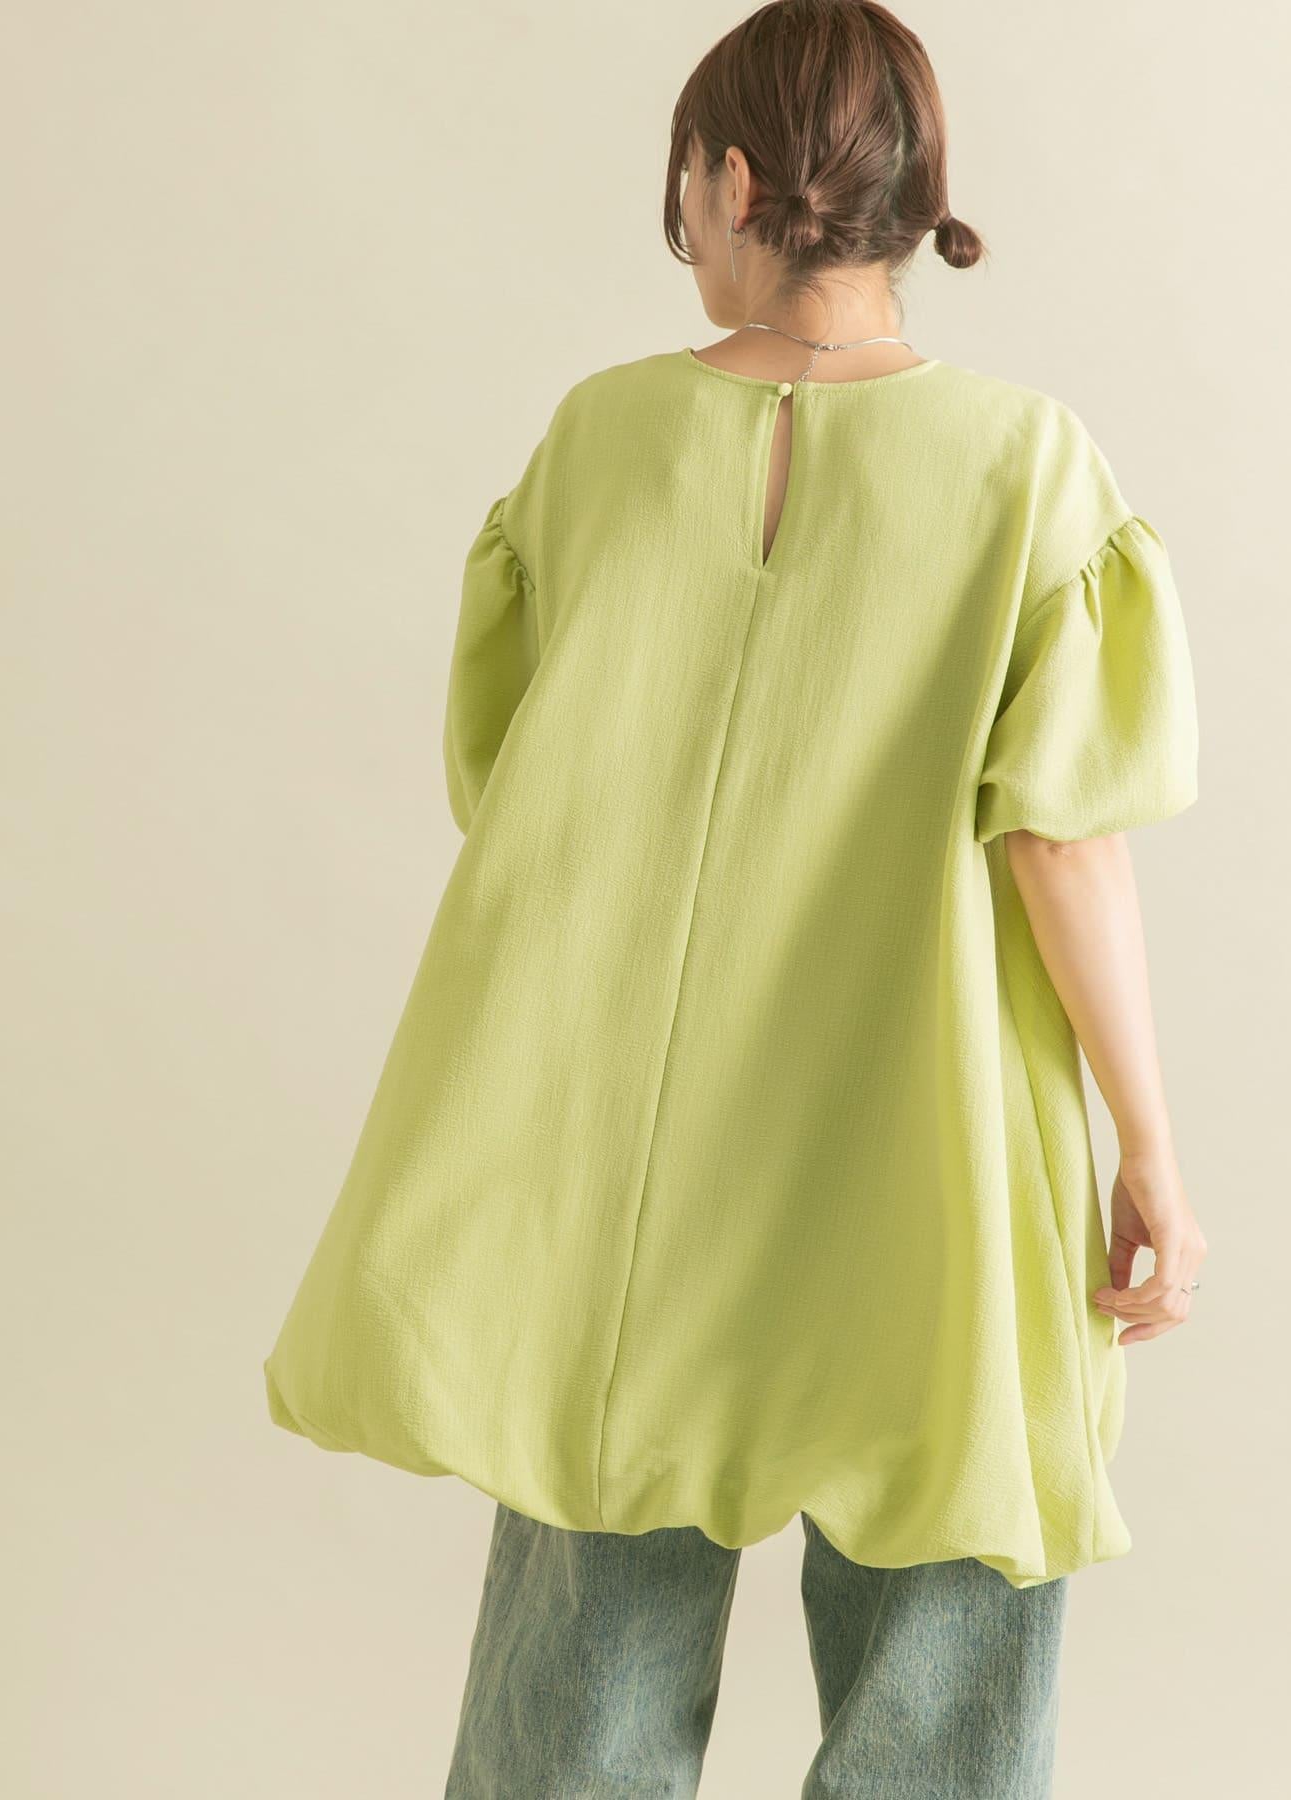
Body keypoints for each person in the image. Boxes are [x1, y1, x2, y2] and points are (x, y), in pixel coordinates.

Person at [261, 2, 1209, 1792]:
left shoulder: (600, 437)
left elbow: (506, 781)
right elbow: (1065, 840)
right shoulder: (1029, 463)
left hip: (623, 1136)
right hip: (927, 1121)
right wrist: (1148, 1145)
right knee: (953, 1577)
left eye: (685, 190)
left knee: (589, 1602)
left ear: (735, 176)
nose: (683, 225)